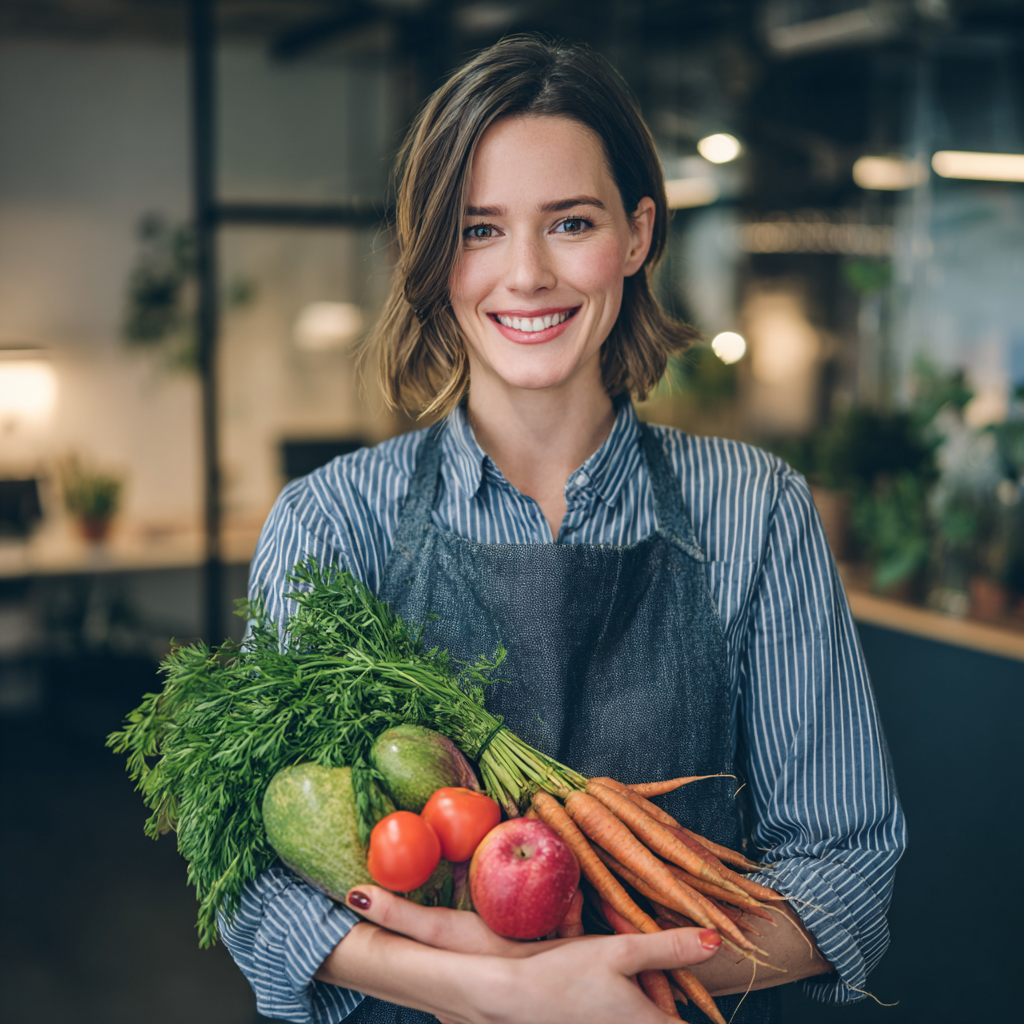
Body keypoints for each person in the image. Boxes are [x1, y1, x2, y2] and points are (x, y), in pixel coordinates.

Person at [221, 35, 906, 1024]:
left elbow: (842, 873)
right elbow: (256, 884)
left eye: (570, 222)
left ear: (635, 234)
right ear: (432, 256)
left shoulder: (754, 510)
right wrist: (504, 988)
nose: (528, 273)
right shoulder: (333, 520)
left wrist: (609, 987)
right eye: (479, 228)